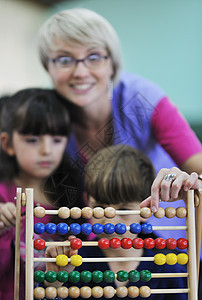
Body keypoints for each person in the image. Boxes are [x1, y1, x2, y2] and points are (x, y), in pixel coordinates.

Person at [37, 8, 202, 214]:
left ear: (112, 65)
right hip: (98, 236)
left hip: (167, 231)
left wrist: (188, 179)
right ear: (47, 67)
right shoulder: (44, 115)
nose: (80, 72)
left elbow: (200, 169)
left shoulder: (143, 98)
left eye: (94, 57)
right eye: (64, 60)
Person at [45, 145, 200, 300]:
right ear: (87, 202)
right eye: (100, 207)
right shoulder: (74, 265)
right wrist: (54, 285)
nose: (110, 221)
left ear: (147, 208)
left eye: (124, 210)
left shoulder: (171, 267)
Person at [0, 88, 80, 299]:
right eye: (33, 140)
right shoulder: (1, 197)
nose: (46, 150)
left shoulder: (73, 196)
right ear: (7, 144)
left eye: (57, 139)